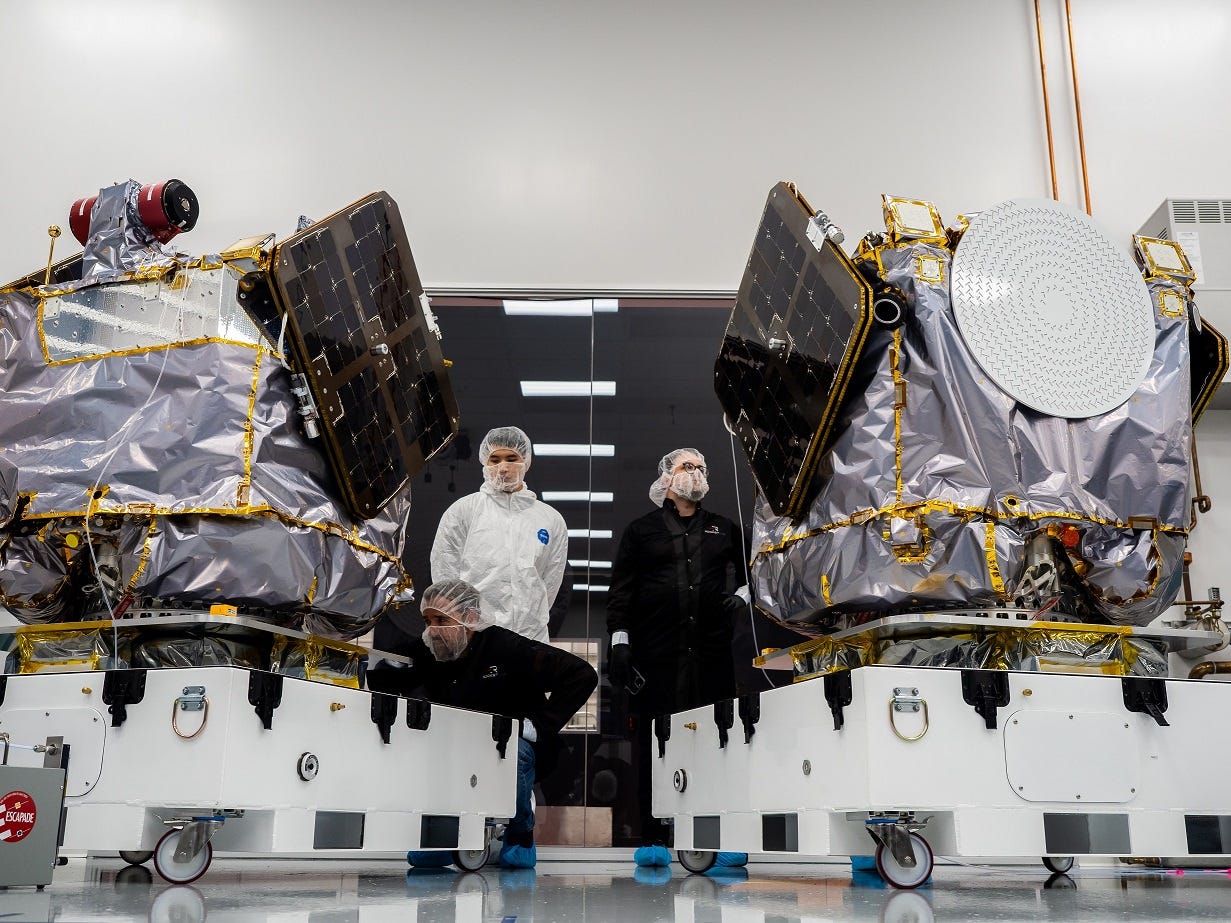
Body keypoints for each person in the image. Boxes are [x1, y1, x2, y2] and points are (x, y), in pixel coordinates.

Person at [368, 579, 597, 869]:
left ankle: (520, 835)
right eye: (427, 620)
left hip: (513, 745)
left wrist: (537, 725)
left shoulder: (507, 648)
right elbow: (390, 674)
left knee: (516, 755)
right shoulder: (430, 649)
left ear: (471, 618)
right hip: (459, 742)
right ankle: (441, 838)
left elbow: (582, 675)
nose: (433, 630)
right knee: (431, 756)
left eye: (441, 619)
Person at [605, 448, 750, 868]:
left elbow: (750, 576)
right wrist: (619, 641)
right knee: (656, 741)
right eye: (687, 466)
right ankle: (653, 835)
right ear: (667, 477)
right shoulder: (641, 532)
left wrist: (739, 600)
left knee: (714, 739)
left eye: (702, 467)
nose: (697, 472)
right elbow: (621, 593)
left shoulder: (725, 528)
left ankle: (715, 834)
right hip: (656, 654)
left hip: (711, 653)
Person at [431, 426, 567, 642]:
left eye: (512, 458)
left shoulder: (550, 519)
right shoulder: (464, 511)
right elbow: (445, 574)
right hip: (476, 636)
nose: (503, 467)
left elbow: (549, 583)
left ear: (526, 462)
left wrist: (529, 617)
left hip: (530, 637)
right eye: (495, 459)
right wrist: (463, 625)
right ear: (485, 462)